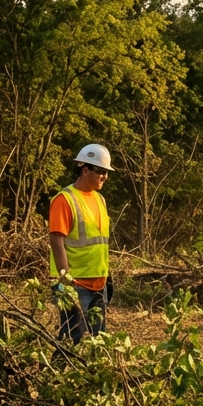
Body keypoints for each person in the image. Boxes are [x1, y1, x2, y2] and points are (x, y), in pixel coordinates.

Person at [49, 143, 115, 342]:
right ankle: (60, 372)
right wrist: (65, 280)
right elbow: (56, 240)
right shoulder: (65, 199)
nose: (104, 176)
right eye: (100, 171)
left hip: (98, 281)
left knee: (98, 339)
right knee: (73, 338)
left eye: (106, 172)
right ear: (85, 170)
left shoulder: (100, 199)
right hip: (75, 283)